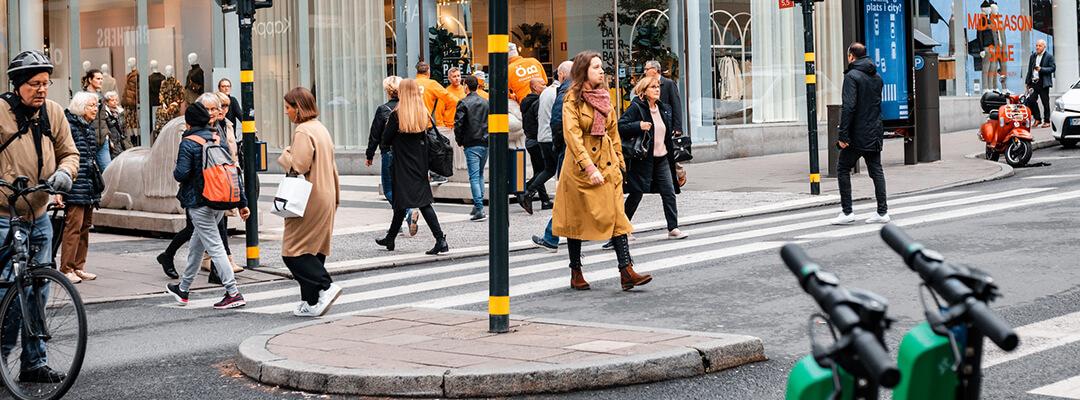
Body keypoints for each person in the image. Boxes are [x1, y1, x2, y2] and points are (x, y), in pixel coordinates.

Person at [1, 50, 79, 383]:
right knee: (9, 293)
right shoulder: (1, 113)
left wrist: (65, 173)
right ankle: (2, 360)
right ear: (18, 84)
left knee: (39, 290)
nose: (42, 89)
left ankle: (34, 364)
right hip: (4, 215)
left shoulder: (54, 113)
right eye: (34, 84)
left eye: (46, 83)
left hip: (40, 215)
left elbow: (69, 153)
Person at [551, 51, 652, 292]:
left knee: (617, 215)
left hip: (607, 164)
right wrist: (588, 166)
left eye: (601, 67)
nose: (601, 70)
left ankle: (626, 270)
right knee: (576, 219)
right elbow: (572, 137)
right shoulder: (571, 99)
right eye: (596, 67)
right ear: (583, 70)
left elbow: (614, 132)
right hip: (580, 167)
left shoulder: (604, 97)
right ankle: (576, 270)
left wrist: (620, 163)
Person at [166, 95, 249, 310]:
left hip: (199, 201)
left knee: (215, 246)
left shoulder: (189, 142)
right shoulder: (216, 138)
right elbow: (232, 171)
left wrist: (177, 169)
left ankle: (233, 292)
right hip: (219, 199)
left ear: (188, 122)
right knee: (196, 245)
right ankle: (183, 289)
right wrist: (242, 201)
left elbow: (181, 174)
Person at [278, 87, 343, 317]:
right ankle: (311, 301)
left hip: (309, 196)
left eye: (288, 108)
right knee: (314, 249)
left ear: (298, 108)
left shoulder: (303, 131)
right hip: (326, 193)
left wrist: (286, 155)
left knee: (292, 251)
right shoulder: (320, 128)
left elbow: (299, 166)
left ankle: (325, 286)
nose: (286, 112)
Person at [376, 79, 449, 255]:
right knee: (402, 202)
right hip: (420, 163)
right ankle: (391, 238)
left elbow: (385, 139)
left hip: (402, 163)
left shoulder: (397, 114)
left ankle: (441, 239)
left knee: (423, 203)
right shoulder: (422, 112)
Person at [615, 75, 686, 242]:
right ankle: (621, 231)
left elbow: (666, 135)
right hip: (643, 159)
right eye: (653, 87)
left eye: (658, 87)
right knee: (636, 194)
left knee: (669, 192)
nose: (657, 90)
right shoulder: (636, 107)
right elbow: (620, 126)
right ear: (644, 91)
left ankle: (673, 228)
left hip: (662, 159)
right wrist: (638, 125)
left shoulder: (663, 108)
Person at [832, 42, 889, 225]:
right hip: (874, 131)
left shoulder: (851, 76)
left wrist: (843, 135)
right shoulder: (877, 77)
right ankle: (882, 212)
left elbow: (849, 107)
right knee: (876, 170)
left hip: (857, 134)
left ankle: (847, 212)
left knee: (842, 168)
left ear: (851, 56)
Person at [58, 92, 104, 284]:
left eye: (96, 105)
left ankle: (78, 266)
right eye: (92, 105)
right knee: (73, 228)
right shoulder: (71, 127)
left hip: (88, 184)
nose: (95, 109)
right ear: (81, 107)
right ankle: (66, 267)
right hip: (76, 185)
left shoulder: (87, 128)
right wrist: (60, 191)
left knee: (85, 227)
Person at [366, 76, 419, 236]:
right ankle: (402, 220)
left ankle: (408, 211)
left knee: (389, 188)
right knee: (401, 187)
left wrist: (369, 154)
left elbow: (375, 134)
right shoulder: (408, 107)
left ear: (387, 91)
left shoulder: (383, 109)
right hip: (406, 154)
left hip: (388, 152)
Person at [531, 61, 573, 252]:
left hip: (565, 148)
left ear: (562, 75)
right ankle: (551, 237)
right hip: (571, 149)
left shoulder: (560, 93)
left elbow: (557, 124)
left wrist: (560, 148)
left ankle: (618, 233)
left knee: (568, 197)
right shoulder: (571, 91)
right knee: (570, 198)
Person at [416, 62, 459, 183]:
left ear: (417, 72)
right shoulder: (431, 84)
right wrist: (465, 104)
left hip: (410, 123)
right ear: (428, 71)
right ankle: (435, 174)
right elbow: (448, 97)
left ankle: (419, 175)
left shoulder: (411, 84)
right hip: (425, 124)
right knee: (434, 148)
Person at [454, 75, 490, 222]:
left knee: (474, 177)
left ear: (466, 86)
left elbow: (459, 125)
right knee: (480, 175)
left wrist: (459, 140)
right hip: (485, 142)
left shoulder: (463, 103)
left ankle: (479, 207)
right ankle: (478, 205)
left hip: (471, 143)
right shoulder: (485, 102)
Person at [518, 78, 550, 214]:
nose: (545, 86)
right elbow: (541, 122)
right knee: (545, 169)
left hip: (530, 140)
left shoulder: (525, 102)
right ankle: (525, 191)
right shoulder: (538, 103)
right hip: (538, 140)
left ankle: (545, 200)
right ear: (535, 88)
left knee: (539, 170)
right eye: (542, 84)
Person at [643, 60, 683, 136]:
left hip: (666, 124)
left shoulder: (669, 83)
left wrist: (677, 127)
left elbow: (676, 105)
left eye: (647, 69)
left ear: (655, 70)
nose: (645, 72)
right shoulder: (645, 84)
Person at [1025, 39, 1055, 128]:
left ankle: (1047, 121)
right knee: (1031, 100)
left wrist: (1041, 69)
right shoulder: (1033, 56)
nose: (1037, 47)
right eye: (1036, 45)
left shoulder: (1049, 56)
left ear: (1044, 47)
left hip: (1043, 83)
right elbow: (1029, 70)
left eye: (1039, 46)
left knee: (1045, 102)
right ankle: (1037, 119)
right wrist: (1027, 82)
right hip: (1033, 82)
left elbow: (1053, 68)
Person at [101, 91, 129, 156]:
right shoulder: (105, 114)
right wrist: (109, 141)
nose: (115, 102)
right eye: (112, 100)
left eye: (116, 100)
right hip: (113, 142)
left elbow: (124, 128)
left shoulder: (121, 112)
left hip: (123, 141)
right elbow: (105, 128)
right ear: (107, 102)